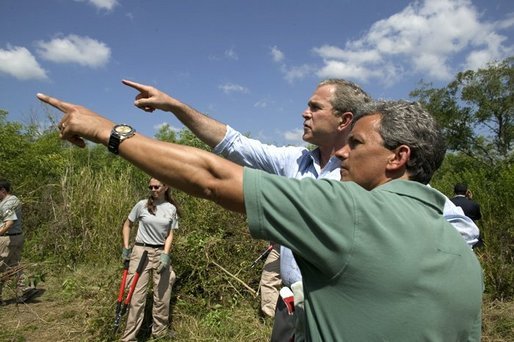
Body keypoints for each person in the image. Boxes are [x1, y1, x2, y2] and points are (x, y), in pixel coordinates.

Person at [37, 92, 483, 341]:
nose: (344, 152)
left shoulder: (347, 209)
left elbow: (211, 176)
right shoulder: (461, 252)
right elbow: (232, 145)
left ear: (397, 157)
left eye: (358, 144)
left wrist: (104, 130)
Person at [120, 177, 182, 341]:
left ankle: (159, 334)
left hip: (160, 253)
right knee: (136, 298)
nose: (153, 189)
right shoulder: (141, 205)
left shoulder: (171, 209)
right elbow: (127, 225)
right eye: (151, 187)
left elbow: (170, 234)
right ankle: (129, 337)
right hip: (141, 252)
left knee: (162, 296)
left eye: (156, 186)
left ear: (166, 187)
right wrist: (126, 247)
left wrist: (166, 254)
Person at [0, 179, 34, 304]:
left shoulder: (8, 204)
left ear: (3, 190)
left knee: (2, 265)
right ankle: (26, 288)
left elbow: (9, 222)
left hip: (8, 238)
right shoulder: (14, 199)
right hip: (16, 237)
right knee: (14, 265)